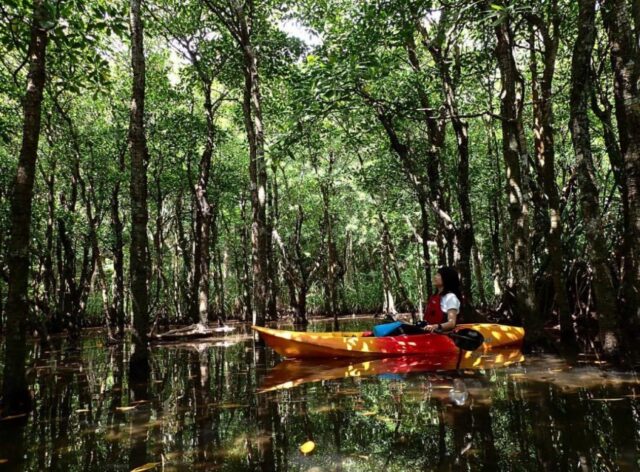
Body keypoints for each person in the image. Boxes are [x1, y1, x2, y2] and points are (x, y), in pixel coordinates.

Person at [421, 266, 461, 332]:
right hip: (429, 335)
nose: (435, 277)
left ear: (446, 278)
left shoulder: (451, 297)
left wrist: (435, 326)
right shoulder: (434, 298)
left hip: (443, 336)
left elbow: (452, 323)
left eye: (438, 275)